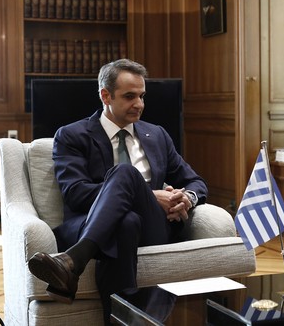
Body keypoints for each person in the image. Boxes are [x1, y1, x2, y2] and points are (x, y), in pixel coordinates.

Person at [28, 59, 207, 324]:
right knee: (126, 216)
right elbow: (75, 193)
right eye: (129, 96)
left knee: (126, 177)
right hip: (91, 221)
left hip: (155, 226)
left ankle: (73, 261)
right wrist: (147, 195)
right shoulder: (72, 135)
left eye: (142, 96)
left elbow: (196, 182)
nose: (139, 104)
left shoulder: (157, 135)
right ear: (105, 95)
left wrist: (187, 199)